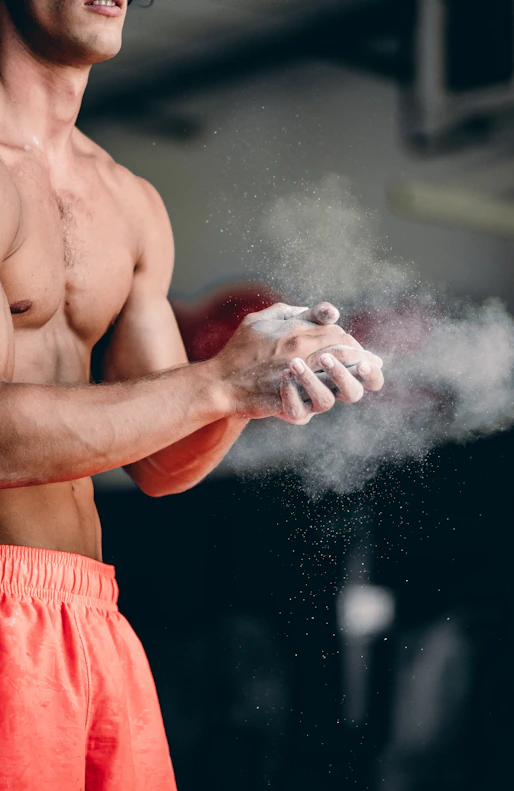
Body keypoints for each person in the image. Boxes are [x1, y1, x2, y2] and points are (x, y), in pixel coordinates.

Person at [0, 1, 384, 789]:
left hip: (90, 615)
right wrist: (215, 379)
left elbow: (164, 463)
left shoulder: (129, 203)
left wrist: (250, 388)